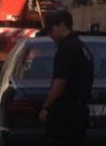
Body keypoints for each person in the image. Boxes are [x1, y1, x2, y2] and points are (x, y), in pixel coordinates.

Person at [38, 10, 94, 146]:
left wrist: (46, 107)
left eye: (51, 30)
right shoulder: (81, 47)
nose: (50, 35)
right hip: (80, 112)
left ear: (62, 25)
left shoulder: (66, 49)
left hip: (65, 114)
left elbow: (60, 82)